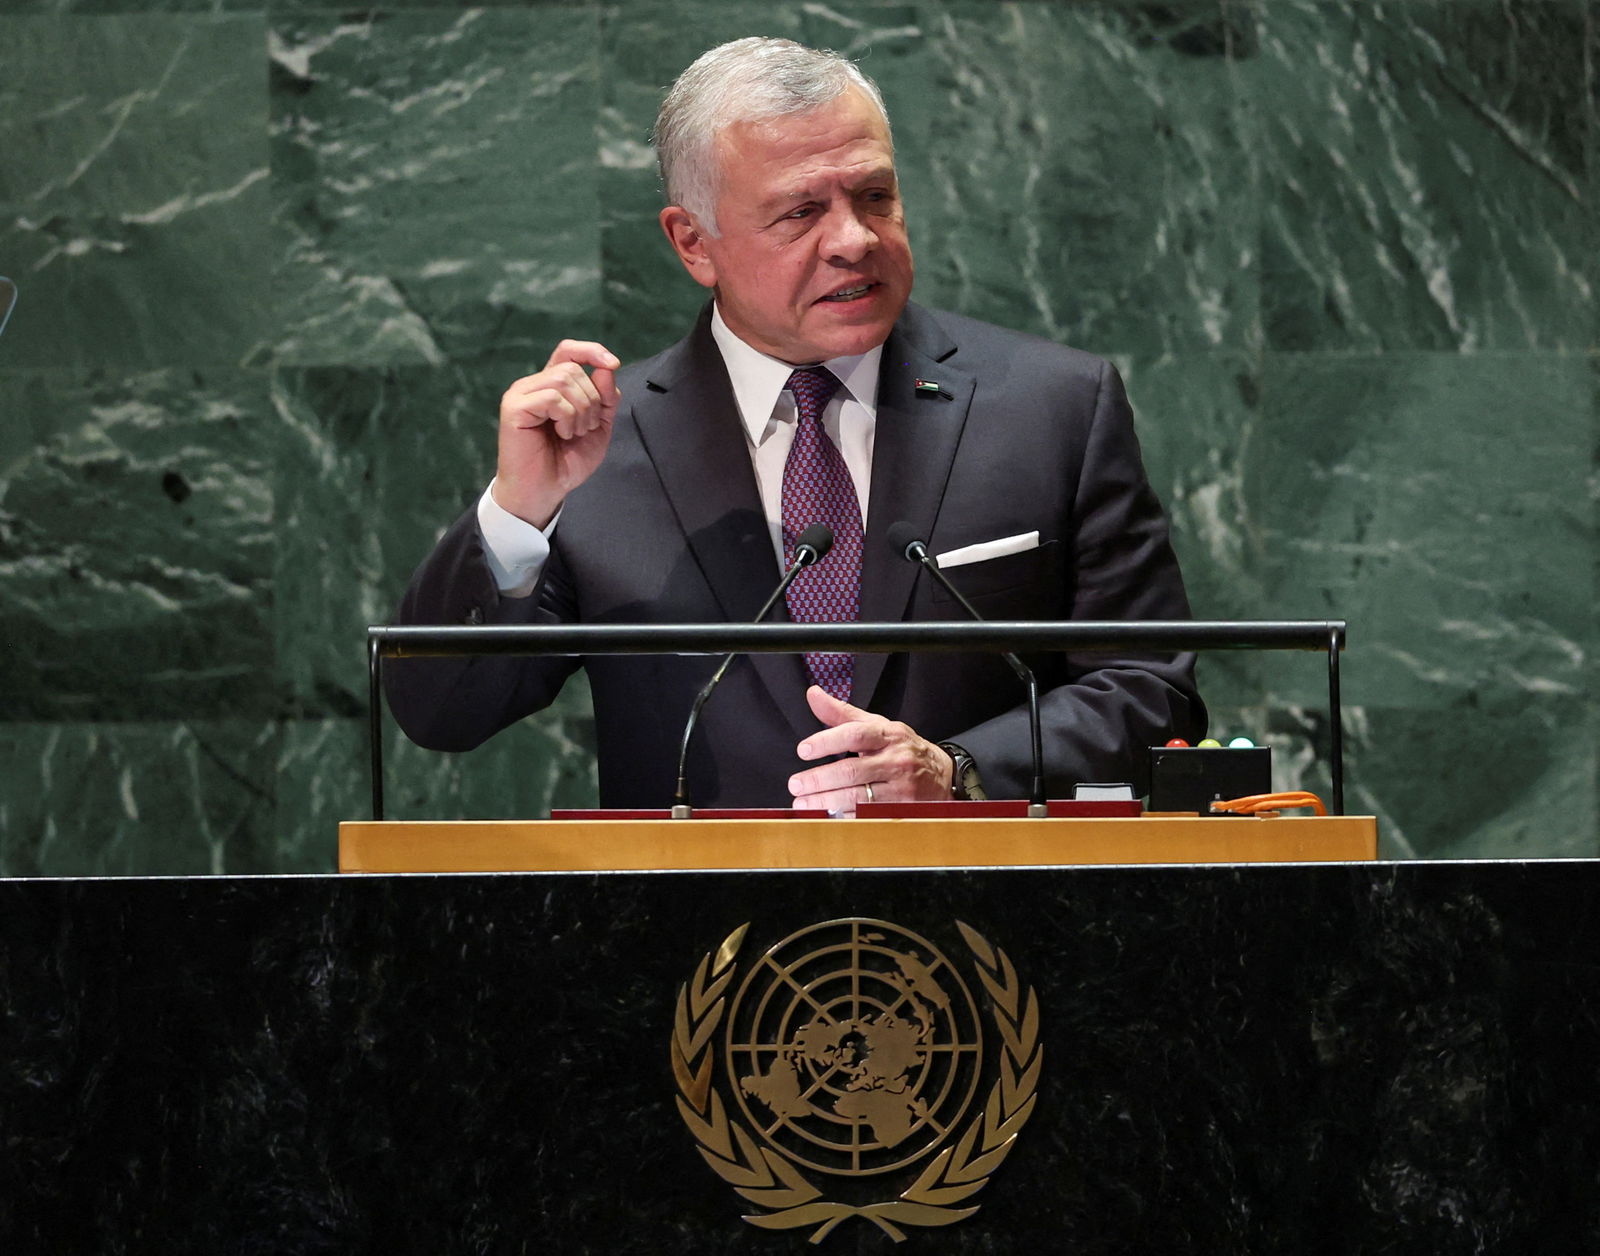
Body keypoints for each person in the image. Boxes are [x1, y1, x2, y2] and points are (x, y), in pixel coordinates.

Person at [387, 37, 1204, 812]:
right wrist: (515, 516)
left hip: (980, 933)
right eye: (800, 213)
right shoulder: (604, 446)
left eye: (875, 196)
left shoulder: (1052, 405)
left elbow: (1150, 689)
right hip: (703, 944)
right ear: (692, 244)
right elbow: (440, 713)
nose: (854, 240)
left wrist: (959, 769)